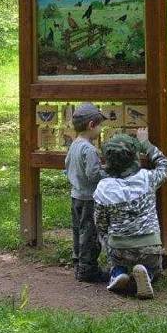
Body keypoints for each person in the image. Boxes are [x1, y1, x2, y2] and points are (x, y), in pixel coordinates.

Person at [93, 130, 167, 299]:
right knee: (152, 265)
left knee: (107, 238)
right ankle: (148, 274)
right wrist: (146, 144)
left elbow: (100, 222)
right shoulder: (146, 179)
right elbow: (165, 166)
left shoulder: (104, 188)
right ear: (134, 157)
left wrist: (107, 240)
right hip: (149, 244)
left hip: (119, 248)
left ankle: (118, 272)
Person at [65, 103, 108, 283]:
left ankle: (78, 262)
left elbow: (66, 166)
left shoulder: (74, 145)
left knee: (78, 230)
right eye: (100, 125)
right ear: (91, 125)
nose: (101, 129)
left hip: (76, 196)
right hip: (89, 198)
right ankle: (88, 269)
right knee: (90, 233)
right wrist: (108, 172)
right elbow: (93, 175)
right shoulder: (89, 149)